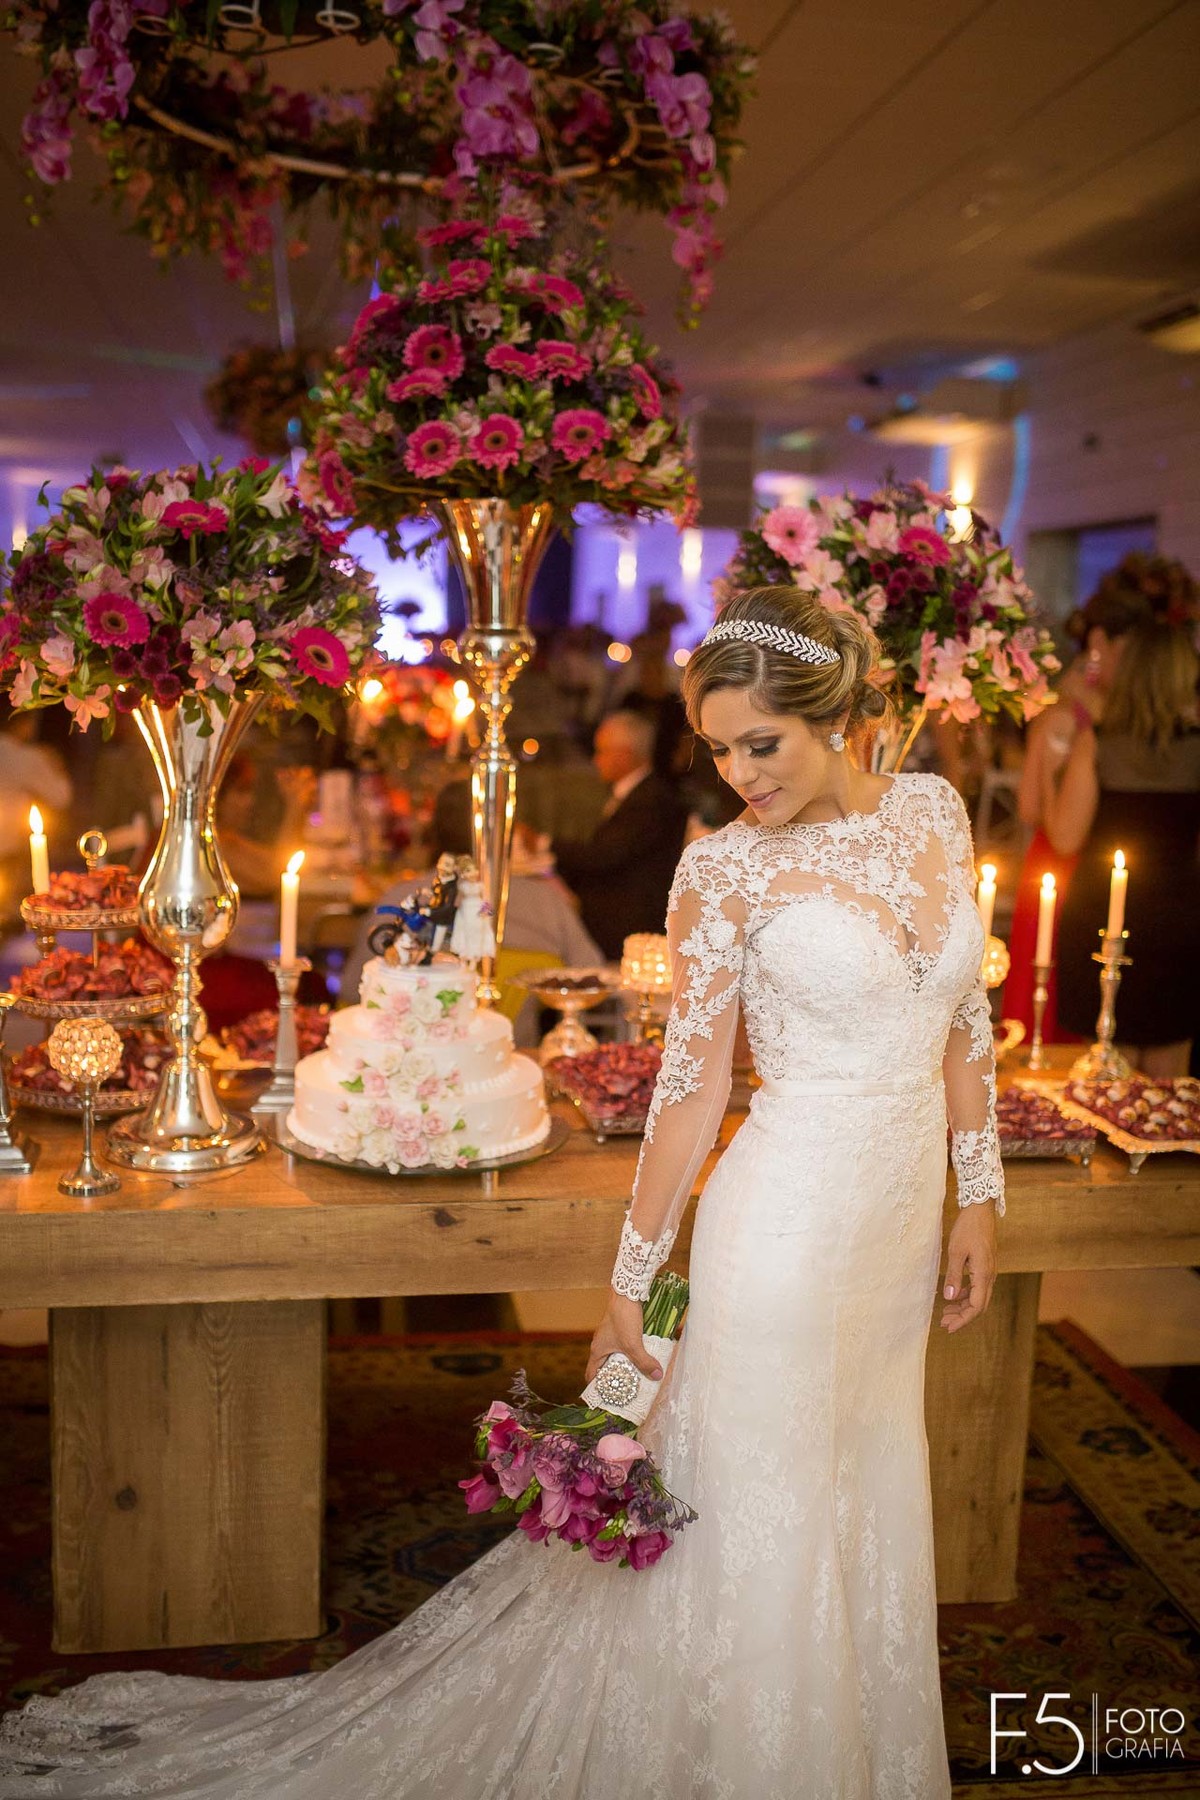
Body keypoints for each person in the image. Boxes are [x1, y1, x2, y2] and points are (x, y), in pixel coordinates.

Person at [0, 586, 1002, 1799]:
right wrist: (635, 1286)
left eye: (763, 744)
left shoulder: (933, 814)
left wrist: (980, 1194)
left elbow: (965, 1017)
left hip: (896, 1233)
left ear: (835, 715)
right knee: (769, 1510)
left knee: (864, 1473)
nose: (740, 773)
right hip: (783, 1227)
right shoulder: (722, 874)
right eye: (718, 747)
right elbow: (690, 1099)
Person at [1007, 554, 1165, 1040]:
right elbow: (1035, 811)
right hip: (1065, 868)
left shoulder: (1097, 715)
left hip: (1087, 871)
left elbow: (1032, 808)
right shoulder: (1072, 718)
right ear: (1102, 643)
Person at [1047, 609, 1200, 1076]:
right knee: (1170, 1096)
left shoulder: (1099, 743)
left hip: (1102, 920)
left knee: (1101, 1083)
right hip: (1180, 924)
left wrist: (1052, 776)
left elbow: (1064, 837)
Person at [340, 780, 603, 1044]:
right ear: (506, 832)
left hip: (410, 1062)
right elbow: (593, 975)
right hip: (513, 1056)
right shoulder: (545, 902)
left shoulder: (400, 897)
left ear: (435, 833)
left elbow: (353, 992)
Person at [553, 709, 688, 960]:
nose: (596, 761)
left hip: (629, 926)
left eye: (602, 752)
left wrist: (547, 846)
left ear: (625, 756)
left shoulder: (652, 800)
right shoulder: (636, 794)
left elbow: (606, 855)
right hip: (614, 913)